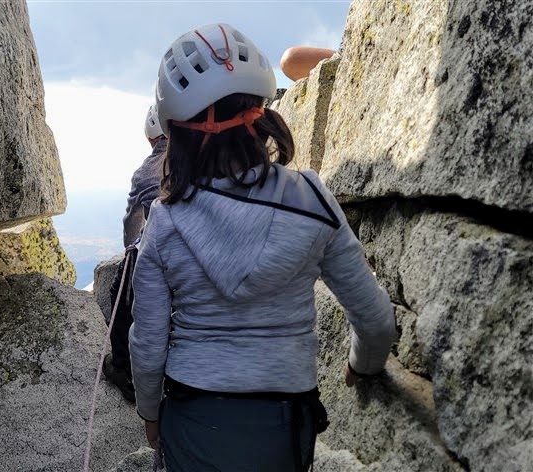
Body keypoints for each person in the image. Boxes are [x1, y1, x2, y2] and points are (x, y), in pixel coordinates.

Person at [128, 23, 396, 471]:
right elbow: (374, 319)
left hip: (194, 418)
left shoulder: (166, 221)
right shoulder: (312, 199)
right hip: (285, 423)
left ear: (179, 131)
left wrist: (151, 415)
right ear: (261, 107)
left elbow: (148, 343)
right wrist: (365, 364)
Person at [103, 104, 167, 403]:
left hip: (159, 246)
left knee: (120, 294)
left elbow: (132, 222)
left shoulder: (146, 172)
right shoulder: (203, 156)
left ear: (153, 139)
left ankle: (121, 367)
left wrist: (130, 251)